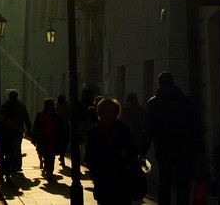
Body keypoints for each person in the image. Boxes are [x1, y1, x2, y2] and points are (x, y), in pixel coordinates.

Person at [138, 71, 198, 205]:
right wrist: (197, 150)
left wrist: (142, 151)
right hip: (184, 149)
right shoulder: (186, 102)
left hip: (163, 149)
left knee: (164, 182)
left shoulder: (154, 103)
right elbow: (194, 127)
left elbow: (148, 129)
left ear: (159, 83)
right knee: (182, 183)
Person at [84, 98, 139, 205]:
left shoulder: (123, 129)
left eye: (112, 112)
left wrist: (128, 158)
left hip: (121, 178)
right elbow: (89, 156)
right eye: (105, 112)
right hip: (103, 178)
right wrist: (95, 173)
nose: (109, 115)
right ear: (100, 113)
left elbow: (133, 150)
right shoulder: (94, 132)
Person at [31, 97, 67, 177]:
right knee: (48, 156)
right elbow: (36, 128)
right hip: (45, 139)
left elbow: (61, 128)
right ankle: (49, 170)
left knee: (50, 156)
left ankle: (49, 171)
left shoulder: (54, 116)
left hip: (51, 139)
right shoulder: (45, 115)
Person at [1, 90, 32, 173]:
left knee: (10, 148)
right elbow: (26, 118)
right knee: (17, 148)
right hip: (18, 130)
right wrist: (29, 129)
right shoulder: (21, 106)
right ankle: (17, 165)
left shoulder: (5, 106)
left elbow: (1, 118)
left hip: (8, 131)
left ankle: (11, 164)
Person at [0, 108, 16, 185]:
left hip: (8, 146)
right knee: (1, 162)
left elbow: (13, 134)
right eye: (1, 115)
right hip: (0, 146)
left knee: (8, 161)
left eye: (3, 115)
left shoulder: (8, 124)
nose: (2, 117)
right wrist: (1, 135)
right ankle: (1, 176)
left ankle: (8, 176)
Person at [55, 94, 71, 168]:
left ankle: (61, 157)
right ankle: (62, 157)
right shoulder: (66, 105)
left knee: (59, 143)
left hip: (57, 128)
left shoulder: (56, 105)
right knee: (64, 144)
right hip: (65, 127)